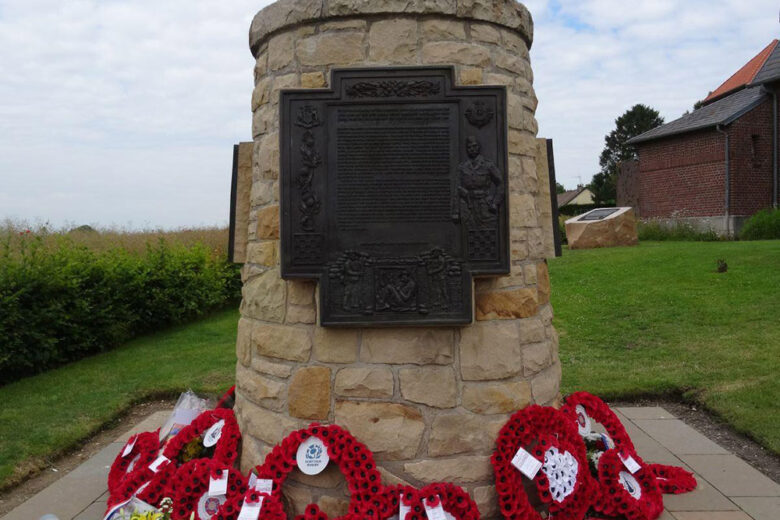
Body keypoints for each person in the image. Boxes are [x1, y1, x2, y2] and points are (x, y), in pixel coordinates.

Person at [458, 136, 503, 226]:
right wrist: (455, 211)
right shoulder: (462, 167)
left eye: (474, 146)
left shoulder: (488, 165)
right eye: (469, 147)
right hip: (467, 207)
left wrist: (495, 203)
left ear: (479, 147)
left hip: (485, 206)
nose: (472, 149)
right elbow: (456, 188)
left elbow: (500, 184)